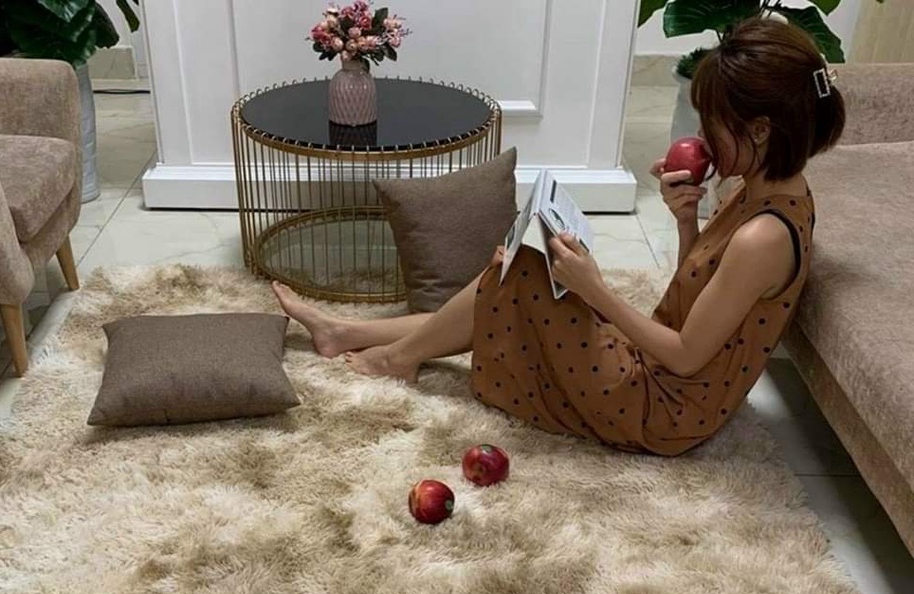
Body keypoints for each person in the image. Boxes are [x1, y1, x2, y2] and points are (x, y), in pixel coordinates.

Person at [272, 17, 847, 456]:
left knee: (521, 270)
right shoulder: (768, 189)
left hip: (664, 408)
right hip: (659, 369)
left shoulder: (762, 237)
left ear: (761, 129)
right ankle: (350, 333)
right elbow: (698, 294)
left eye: (712, 122)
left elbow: (687, 354)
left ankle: (394, 356)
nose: (702, 134)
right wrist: (683, 219)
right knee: (519, 268)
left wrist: (595, 290)